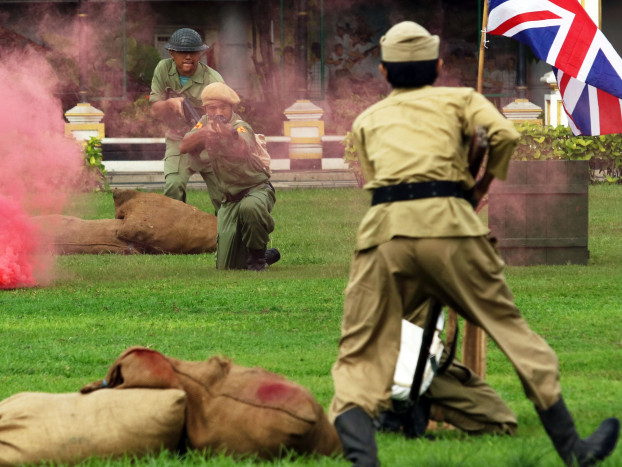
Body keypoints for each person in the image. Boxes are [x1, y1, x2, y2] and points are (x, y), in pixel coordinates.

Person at [328, 20, 620, 467]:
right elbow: (505, 135)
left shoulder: (368, 119)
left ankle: (362, 459)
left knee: (359, 350)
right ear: (439, 67)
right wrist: (479, 189)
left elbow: (375, 181)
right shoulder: (461, 98)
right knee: (511, 331)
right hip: (451, 227)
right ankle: (574, 450)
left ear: (384, 73)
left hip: (383, 234)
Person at [179, 82, 280, 271]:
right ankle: (267, 256)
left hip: (255, 190)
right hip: (230, 200)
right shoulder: (204, 122)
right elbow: (184, 145)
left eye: (223, 107)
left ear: (231, 108)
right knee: (227, 266)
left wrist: (227, 135)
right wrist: (205, 133)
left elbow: (244, 145)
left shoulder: (241, 126)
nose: (218, 112)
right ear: (205, 109)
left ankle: (258, 260)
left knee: (251, 208)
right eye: (212, 108)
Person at [149, 28, 224, 213]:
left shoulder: (213, 80)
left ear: (200, 54)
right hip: (178, 139)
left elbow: (226, 116)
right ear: (172, 54)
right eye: (183, 52)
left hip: (209, 144)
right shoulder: (163, 69)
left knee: (224, 196)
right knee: (173, 185)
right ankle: (175, 237)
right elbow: (154, 109)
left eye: (193, 52)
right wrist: (170, 104)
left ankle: (226, 237)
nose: (188, 56)